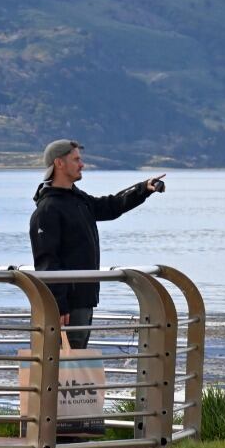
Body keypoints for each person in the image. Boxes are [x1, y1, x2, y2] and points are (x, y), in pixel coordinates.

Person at [28, 140, 165, 349]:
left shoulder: (78, 199)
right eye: (76, 159)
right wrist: (58, 305)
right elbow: (47, 262)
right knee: (61, 365)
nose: (82, 164)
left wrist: (143, 189)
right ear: (59, 163)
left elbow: (110, 206)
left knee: (74, 365)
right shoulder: (47, 210)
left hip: (85, 299)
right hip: (66, 307)